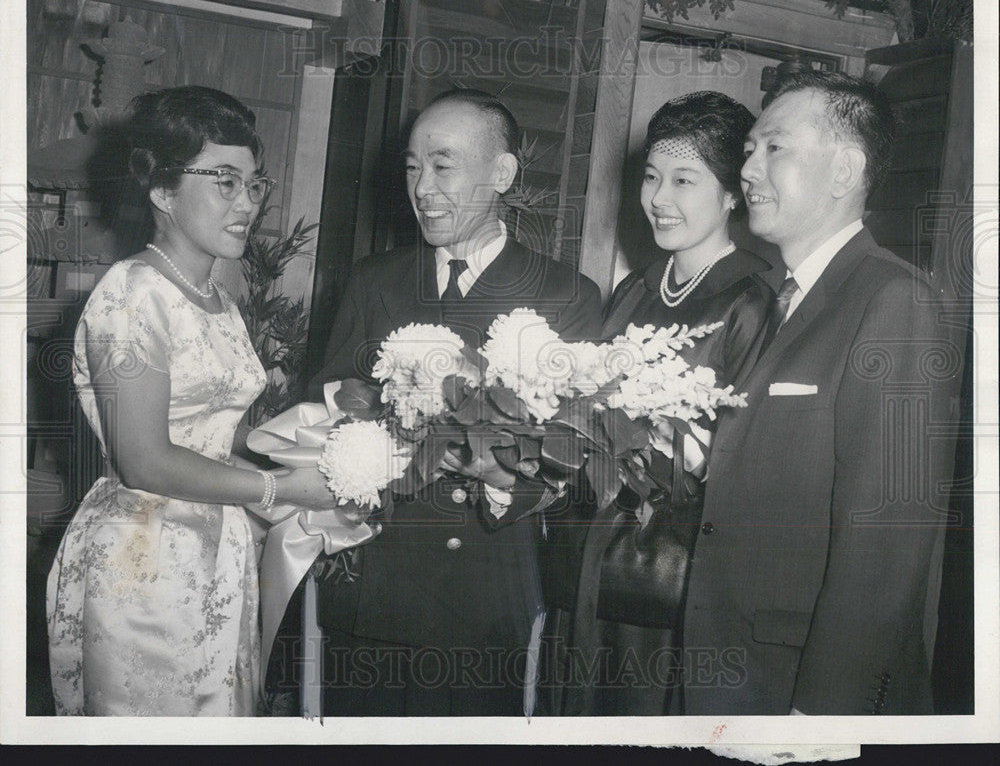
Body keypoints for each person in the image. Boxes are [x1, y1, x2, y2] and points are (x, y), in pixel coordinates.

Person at [307, 88, 602, 716]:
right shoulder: (371, 281)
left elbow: (574, 458)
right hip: (373, 585)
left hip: (481, 594)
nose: (422, 187)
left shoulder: (564, 295)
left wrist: (497, 474)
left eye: (443, 166)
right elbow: (320, 415)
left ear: (502, 173)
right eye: (412, 167)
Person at [46, 86, 337, 716]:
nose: (246, 204)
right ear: (162, 192)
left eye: (254, 185)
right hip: (146, 557)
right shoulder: (131, 295)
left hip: (220, 548)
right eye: (225, 182)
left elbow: (213, 429)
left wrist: (311, 447)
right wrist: (282, 490)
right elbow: (145, 461)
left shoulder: (220, 301)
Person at [683, 70, 961, 714]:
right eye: (750, 148)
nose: (748, 168)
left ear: (844, 171)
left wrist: (823, 714)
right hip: (730, 670)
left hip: (801, 691)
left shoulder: (895, 301)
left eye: (773, 147)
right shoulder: (771, 300)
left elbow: (887, 539)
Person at [540, 91, 773, 715]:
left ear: (732, 194)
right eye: (650, 177)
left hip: (671, 574)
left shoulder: (750, 301)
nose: (658, 199)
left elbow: (750, 458)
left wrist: (664, 445)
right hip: (590, 558)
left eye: (684, 180)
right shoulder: (635, 289)